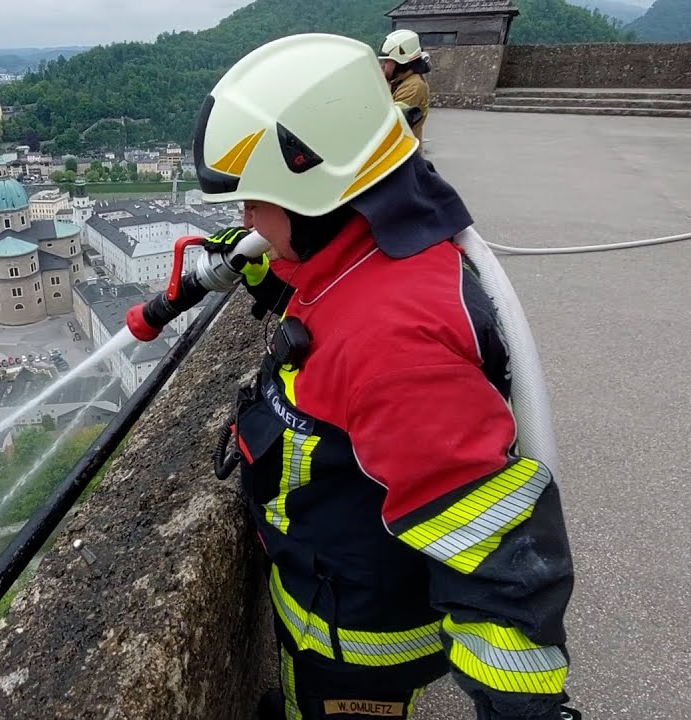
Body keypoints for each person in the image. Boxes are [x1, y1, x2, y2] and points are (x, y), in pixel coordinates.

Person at [192, 33, 577, 719]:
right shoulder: (364, 250)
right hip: (330, 600)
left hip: (358, 655)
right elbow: (323, 292)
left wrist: (527, 710)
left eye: (255, 200)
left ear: (318, 189)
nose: (243, 218)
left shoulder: (394, 346)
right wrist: (268, 264)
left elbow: (491, 557)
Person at [379, 29, 431, 143]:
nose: (382, 67)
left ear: (400, 62)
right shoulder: (402, 81)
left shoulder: (412, 87)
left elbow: (391, 125)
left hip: (402, 151)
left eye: (387, 61)